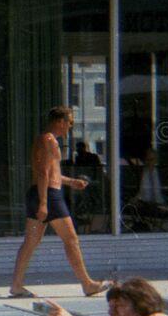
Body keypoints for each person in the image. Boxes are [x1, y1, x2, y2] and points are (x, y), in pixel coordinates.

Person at [8, 106, 111, 298]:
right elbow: (43, 173)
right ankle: (87, 284)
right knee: (71, 239)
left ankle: (16, 285)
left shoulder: (46, 140)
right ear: (60, 122)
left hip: (41, 193)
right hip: (48, 196)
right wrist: (44, 203)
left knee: (31, 242)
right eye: (70, 122)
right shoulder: (48, 140)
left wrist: (71, 182)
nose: (70, 127)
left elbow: (51, 173)